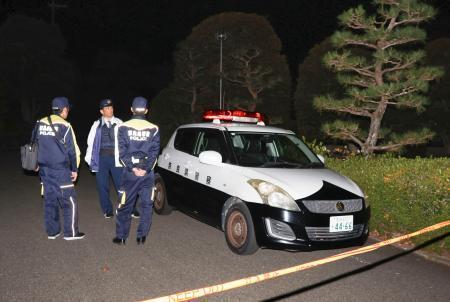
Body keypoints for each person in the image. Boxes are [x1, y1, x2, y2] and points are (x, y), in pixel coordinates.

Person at [35, 96, 84, 240]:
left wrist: (36, 163)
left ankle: (52, 232)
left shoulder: (39, 123)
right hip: (60, 170)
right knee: (69, 201)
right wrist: (74, 169)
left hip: (44, 169)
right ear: (64, 110)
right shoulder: (65, 126)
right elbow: (72, 150)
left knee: (50, 201)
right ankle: (71, 233)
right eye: (67, 109)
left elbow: (34, 144)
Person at [113, 96, 160, 245]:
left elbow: (122, 153)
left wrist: (133, 168)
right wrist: (145, 170)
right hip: (147, 175)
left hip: (130, 174)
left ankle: (121, 237)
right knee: (146, 205)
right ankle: (141, 237)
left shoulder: (122, 127)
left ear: (132, 110)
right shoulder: (154, 128)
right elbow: (154, 153)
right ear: (146, 110)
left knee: (125, 204)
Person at [85, 99, 140, 219]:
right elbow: (90, 142)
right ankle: (107, 209)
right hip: (101, 159)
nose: (110, 110)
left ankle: (129, 208)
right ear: (101, 111)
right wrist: (90, 160)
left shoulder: (120, 123)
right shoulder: (96, 124)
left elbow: (127, 142)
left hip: (117, 158)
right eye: (107, 108)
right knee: (102, 185)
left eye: (111, 107)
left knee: (122, 185)